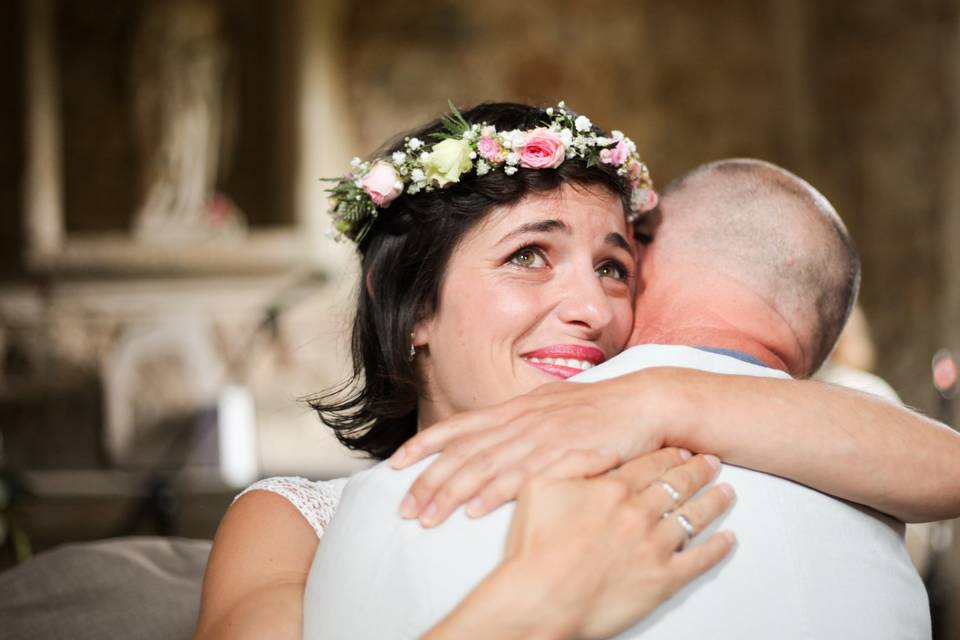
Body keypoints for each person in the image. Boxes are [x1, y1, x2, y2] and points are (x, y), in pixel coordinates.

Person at [194, 103, 957, 638]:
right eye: (530, 255)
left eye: (615, 269)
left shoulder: (686, 437)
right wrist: (535, 604)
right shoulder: (292, 523)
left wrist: (658, 397)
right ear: (413, 303)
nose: (591, 306)